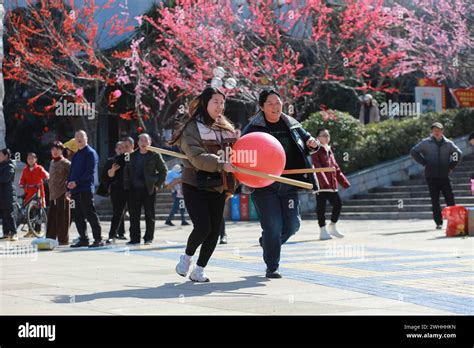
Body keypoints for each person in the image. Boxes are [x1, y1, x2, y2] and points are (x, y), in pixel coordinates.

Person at [242, 89, 319, 279]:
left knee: (293, 225)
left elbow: (309, 142)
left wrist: (313, 144)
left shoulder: (292, 125)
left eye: (278, 102)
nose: (275, 107)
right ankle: (272, 266)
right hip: (264, 184)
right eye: (270, 103)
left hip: (289, 182)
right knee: (273, 226)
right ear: (261, 107)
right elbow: (242, 153)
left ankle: (268, 243)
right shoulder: (253, 128)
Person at [171, 86, 238, 282]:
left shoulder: (226, 128)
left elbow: (235, 155)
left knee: (215, 230)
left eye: (222, 102)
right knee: (203, 226)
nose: (220, 106)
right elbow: (197, 157)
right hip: (195, 183)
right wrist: (221, 164)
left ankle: (199, 269)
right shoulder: (191, 128)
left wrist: (232, 184)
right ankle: (186, 257)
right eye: (215, 101)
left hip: (219, 184)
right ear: (204, 103)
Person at [411, 122, 463, 229]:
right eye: (434, 130)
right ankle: (438, 222)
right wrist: (424, 162)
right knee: (435, 200)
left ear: (442, 131)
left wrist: (451, 166)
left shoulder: (448, 144)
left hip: (444, 176)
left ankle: (452, 221)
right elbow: (414, 151)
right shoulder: (426, 143)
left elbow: (458, 153)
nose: (437, 132)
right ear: (432, 132)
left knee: (450, 199)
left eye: (439, 130)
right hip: (431, 176)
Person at [123, 133, 167, 245]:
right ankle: (134, 238)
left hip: (149, 189)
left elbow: (163, 171)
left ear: (150, 142)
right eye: (141, 140)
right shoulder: (132, 155)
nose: (143, 142)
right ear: (138, 143)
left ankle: (148, 238)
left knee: (149, 215)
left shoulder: (155, 155)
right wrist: (127, 185)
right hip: (134, 190)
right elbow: (126, 171)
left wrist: (157, 185)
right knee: (134, 215)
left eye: (146, 140)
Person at [311, 129, 351, 240]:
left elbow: (336, 168)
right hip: (321, 185)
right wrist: (324, 182)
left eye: (327, 135)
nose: (326, 137)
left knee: (338, 204)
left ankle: (332, 226)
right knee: (321, 207)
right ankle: (322, 230)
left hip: (332, 185)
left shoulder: (329, 150)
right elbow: (317, 167)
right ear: (317, 137)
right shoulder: (315, 150)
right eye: (323, 135)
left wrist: (344, 182)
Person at [67, 130, 103, 247]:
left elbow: (89, 172)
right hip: (75, 190)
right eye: (76, 136)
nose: (79, 138)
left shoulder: (90, 153)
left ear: (86, 138)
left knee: (90, 213)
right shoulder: (76, 154)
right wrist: (69, 188)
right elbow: (71, 172)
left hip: (85, 189)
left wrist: (76, 183)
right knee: (77, 216)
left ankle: (98, 239)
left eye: (81, 136)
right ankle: (83, 238)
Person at [102, 139, 131, 243]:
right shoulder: (112, 161)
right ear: (115, 149)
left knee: (131, 213)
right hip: (117, 189)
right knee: (118, 213)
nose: (121, 150)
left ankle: (128, 234)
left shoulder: (131, 159)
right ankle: (112, 235)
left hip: (130, 189)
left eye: (123, 147)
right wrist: (111, 173)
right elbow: (106, 177)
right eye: (119, 148)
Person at [46, 141, 71, 245]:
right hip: (52, 194)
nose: (55, 152)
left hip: (62, 193)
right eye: (53, 150)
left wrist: (69, 190)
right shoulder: (52, 162)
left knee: (63, 217)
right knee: (51, 217)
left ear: (62, 151)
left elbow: (72, 175)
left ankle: (63, 239)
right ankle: (50, 238)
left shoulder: (66, 163)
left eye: (57, 150)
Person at [19, 152, 49, 237]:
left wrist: (46, 177)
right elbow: (22, 180)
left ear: (35, 159)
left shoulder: (39, 168)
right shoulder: (25, 170)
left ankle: (38, 230)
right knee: (30, 212)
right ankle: (30, 230)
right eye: (29, 159)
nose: (30, 160)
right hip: (29, 193)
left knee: (38, 211)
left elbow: (45, 174)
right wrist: (21, 184)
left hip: (38, 193)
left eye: (32, 158)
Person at [0, 149, 17, 241]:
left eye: (0, 155)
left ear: (6, 156)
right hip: (1, 194)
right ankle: (6, 233)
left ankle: (14, 233)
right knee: (3, 214)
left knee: (9, 214)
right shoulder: (1, 166)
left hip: (8, 193)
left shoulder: (10, 166)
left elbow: (5, 178)